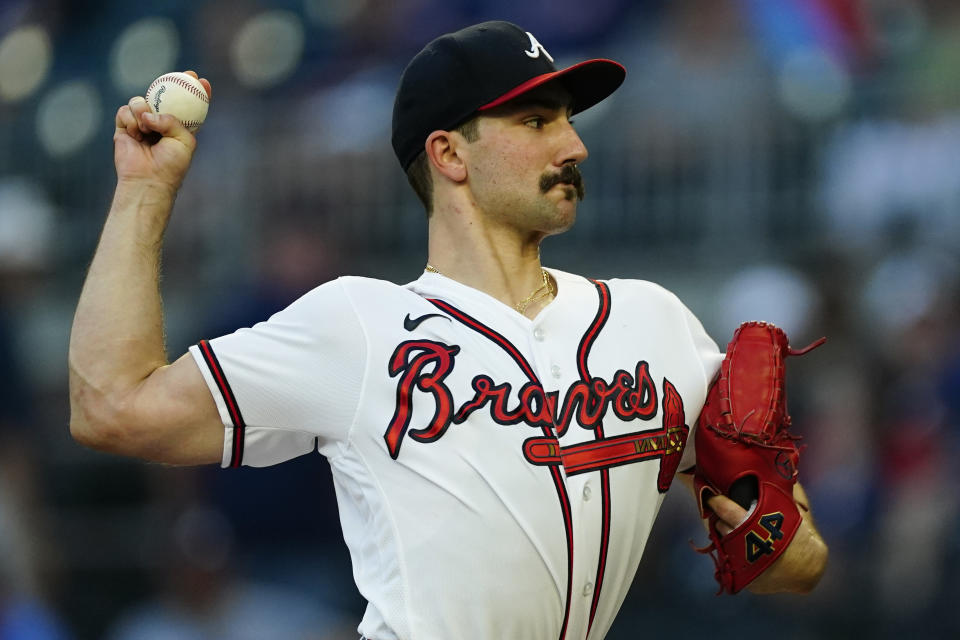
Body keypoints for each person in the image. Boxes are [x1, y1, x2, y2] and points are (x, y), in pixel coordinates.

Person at [69, 20, 827, 640]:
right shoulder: (358, 327)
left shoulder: (654, 321)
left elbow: (799, 566)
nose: (574, 146)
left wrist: (773, 531)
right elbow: (112, 407)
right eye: (536, 121)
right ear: (448, 154)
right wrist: (144, 191)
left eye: (568, 120)